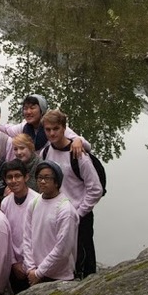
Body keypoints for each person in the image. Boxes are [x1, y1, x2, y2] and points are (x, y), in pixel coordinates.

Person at [40, 110, 102, 278]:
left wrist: (79, 213)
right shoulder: (45, 153)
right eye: (48, 129)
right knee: (63, 257)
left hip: (79, 215)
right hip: (58, 215)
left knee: (84, 257)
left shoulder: (78, 154)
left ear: (64, 128)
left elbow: (96, 189)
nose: (52, 133)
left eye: (56, 128)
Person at [23, 160, 80, 285]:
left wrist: (39, 272)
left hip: (60, 276)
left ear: (57, 182)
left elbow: (63, 249)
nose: (42, 181)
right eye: (40, 178)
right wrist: (31, 267)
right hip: (35, 272)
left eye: (47, 178)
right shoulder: (34, 203)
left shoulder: (65, 210)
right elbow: (27, 237)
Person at [0, 160, 40, 293]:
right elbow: (6, 235)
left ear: (26, 177)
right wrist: (13, 262)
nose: (14, 180)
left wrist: (28, 265)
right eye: (9, 177)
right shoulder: (5, 203)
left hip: (34, 265)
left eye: (17, 176)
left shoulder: (37, 201)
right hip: (14, 264)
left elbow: (38, 237)